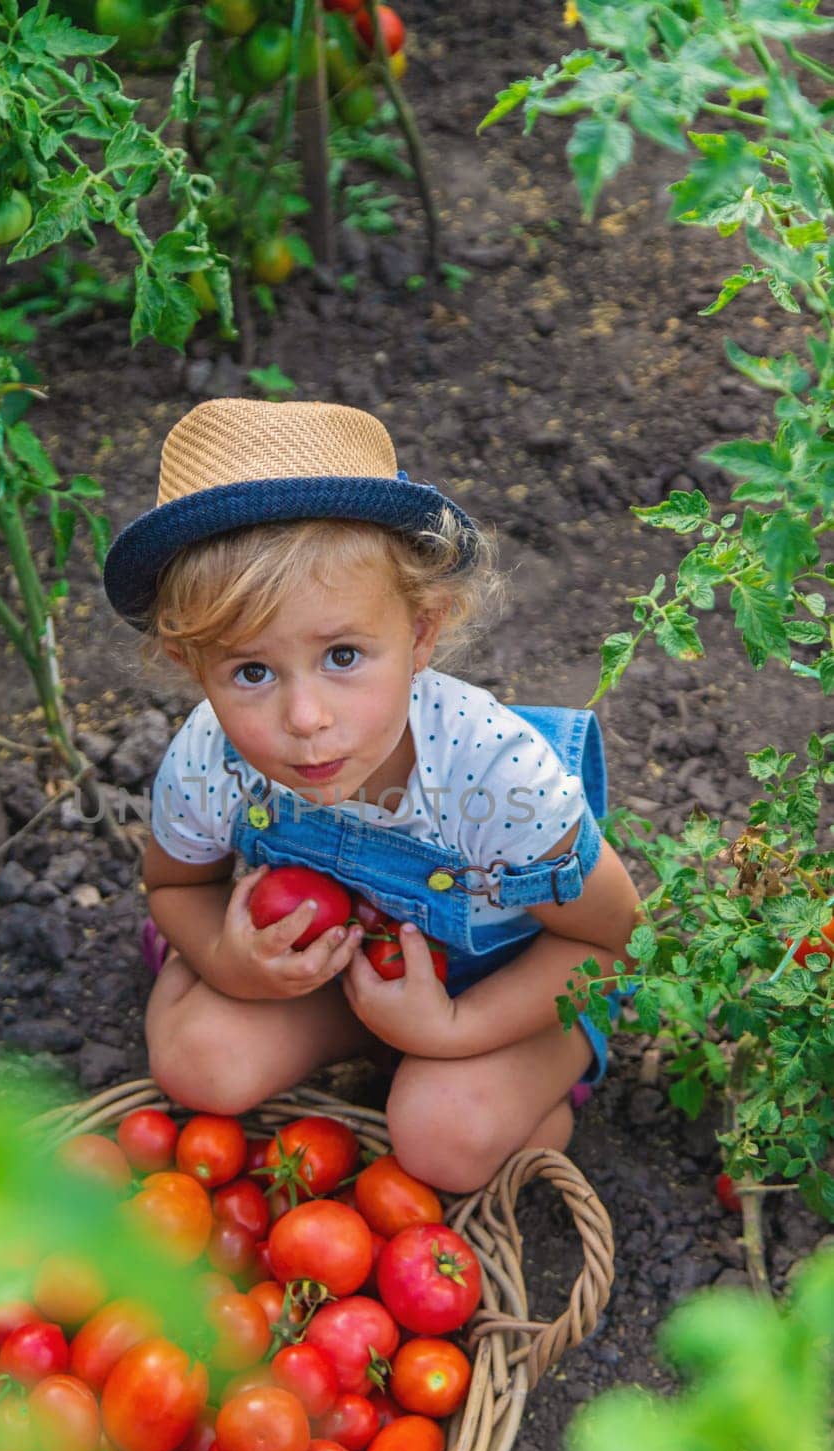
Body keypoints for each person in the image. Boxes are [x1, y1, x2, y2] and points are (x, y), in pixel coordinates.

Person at [103, 399, 641, 1193]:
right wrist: (229, 959)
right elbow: (174, 883)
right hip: (335, 979)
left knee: (442, 1144)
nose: (305, 721)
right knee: (197, 1067)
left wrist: (453, 1027)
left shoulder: (495, 779)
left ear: (422, 630)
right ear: (191, 665)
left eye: (344, 655)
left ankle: (542, 1082)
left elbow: (610, 940)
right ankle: (343, 1035)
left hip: (501, 992)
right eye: (250, 672)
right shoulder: (208, 756)